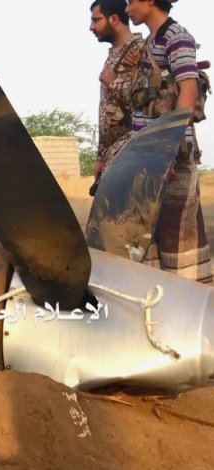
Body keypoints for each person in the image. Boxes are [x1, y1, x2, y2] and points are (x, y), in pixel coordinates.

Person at [125, 0, 212, 283]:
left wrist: (166, 152)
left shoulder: (177, 38)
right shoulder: (151, 41)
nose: (127, 9)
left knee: (179, 246)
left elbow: (187, 92)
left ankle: (190, 319)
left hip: (169, 158)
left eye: (131, 2)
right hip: (149, 160)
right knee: (147, 242)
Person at [90, 0, 144, 183]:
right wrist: (101, 157)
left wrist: (113, 82)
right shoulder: (114, 55)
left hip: (132, 149)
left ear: (113, 19)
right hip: (113, 151)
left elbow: (147, 104)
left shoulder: (141, 50)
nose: (91, 27)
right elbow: (107, 113)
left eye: (95, 20)